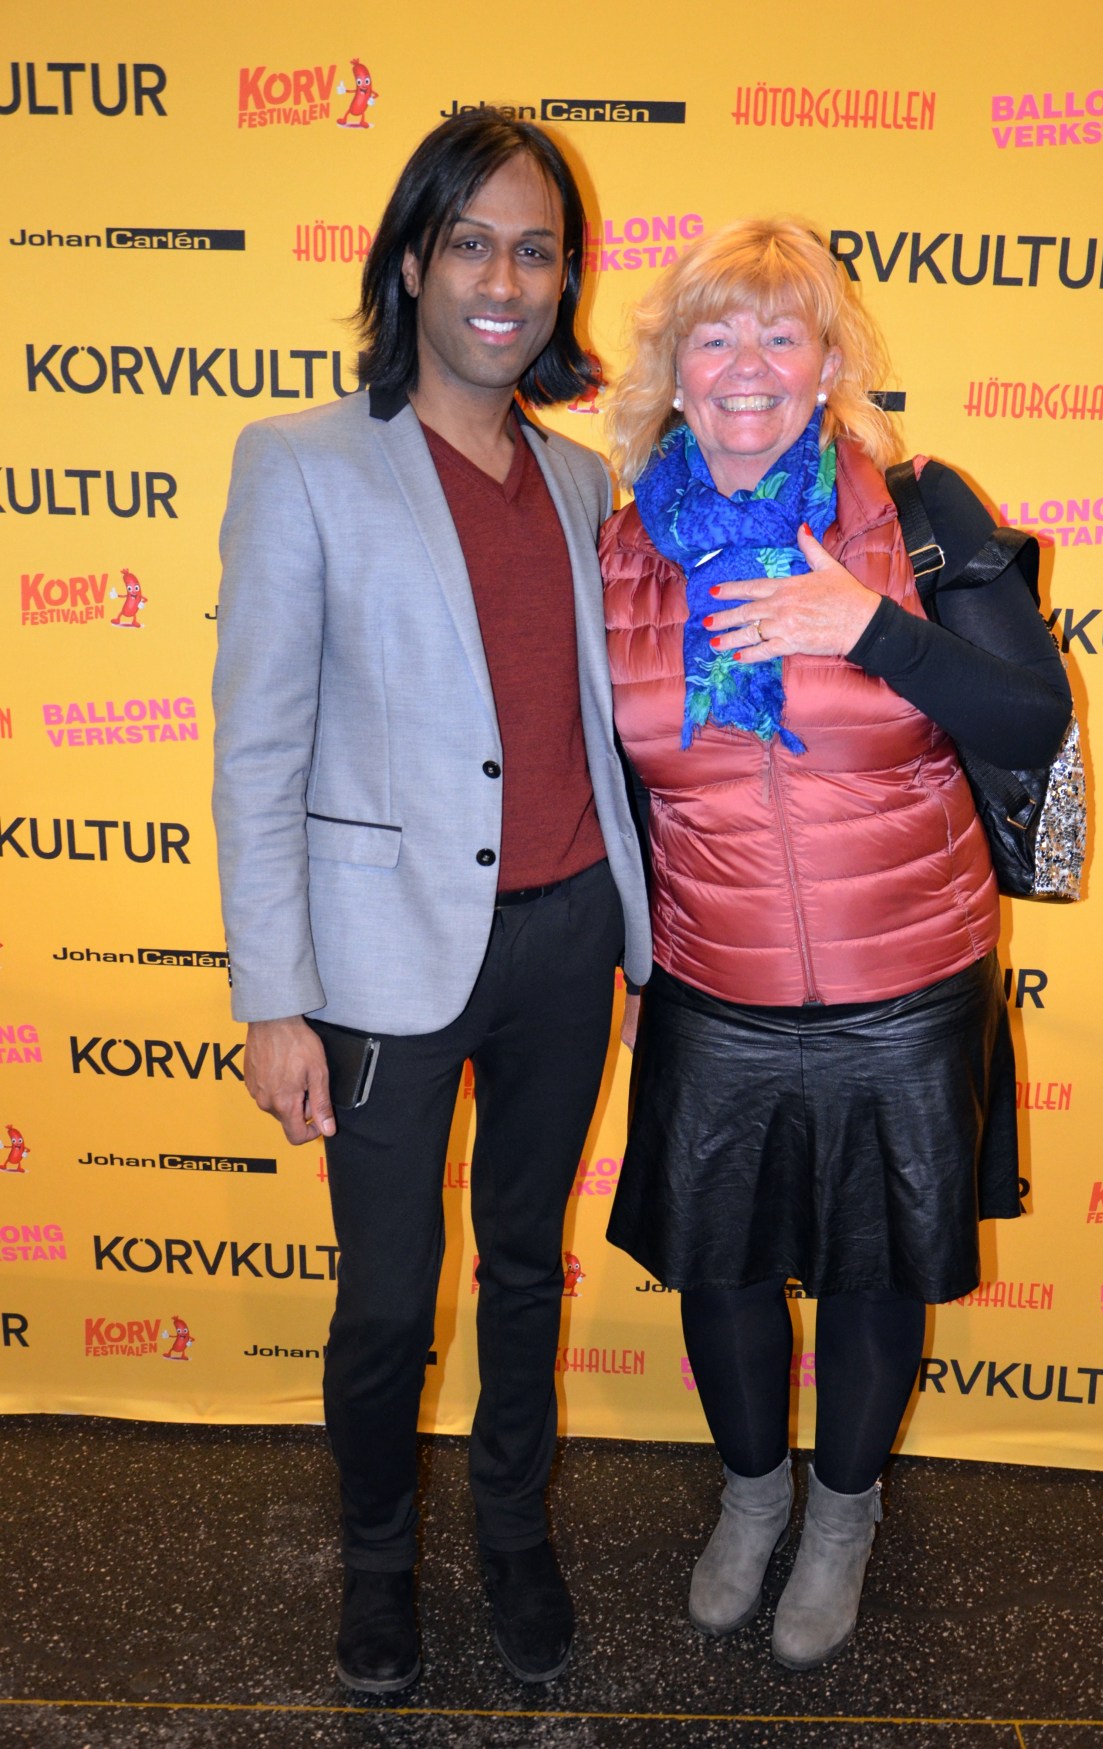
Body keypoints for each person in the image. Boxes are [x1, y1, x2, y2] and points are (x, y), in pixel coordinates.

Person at [212, 110, 651, 1695]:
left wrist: (648, 931)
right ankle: (380, 1559)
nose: (504, 281)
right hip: (378, 957)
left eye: (536, 251)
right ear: (411, 264)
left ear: (563, 281)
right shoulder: (303, 463)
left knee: (526, 1265)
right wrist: (273, 995)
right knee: (389, 1298)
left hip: (569, 937)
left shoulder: (586, 481)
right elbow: (257, 744)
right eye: (471, 243)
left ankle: (515, 1534)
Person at [600, 218, 1072, 1670]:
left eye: (780, 333)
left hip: (905, 987)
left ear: (825, 368)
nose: (746, 364)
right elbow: (605, 778)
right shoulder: (617, 549)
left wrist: (868, 625)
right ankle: (753, 1497)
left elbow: (1031, 716)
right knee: (722, 1274)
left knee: (871, 1272)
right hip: (713, 983)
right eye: (715, 336)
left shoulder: (919, 514)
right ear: (674, 373)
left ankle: (845, 1515)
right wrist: (625, 960)